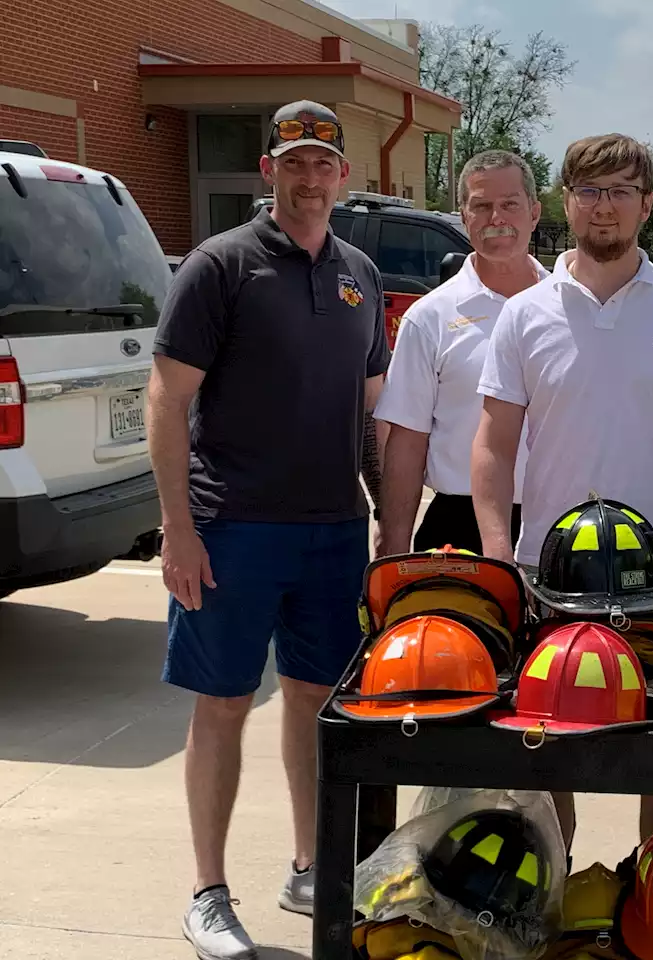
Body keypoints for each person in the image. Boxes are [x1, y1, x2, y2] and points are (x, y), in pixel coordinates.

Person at [148, 101, 389, 960]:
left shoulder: (360, 273)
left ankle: (308, 865)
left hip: (331, 532)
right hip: (232, 526)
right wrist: (177, 528)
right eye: (296, 161)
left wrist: (388, 523)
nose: (311, 176)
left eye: (325, 163)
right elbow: (168, 400)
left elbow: (367, 419)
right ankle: (208, 894)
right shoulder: (221, 266)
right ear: (269, 169)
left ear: (344, 177)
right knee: (221, 704)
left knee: (317, 702)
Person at [471, 133, 653, 842]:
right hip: (547, 580)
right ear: (565, 202)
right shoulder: (524, 314)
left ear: (647, 207)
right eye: (589, 190)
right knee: (546, 756)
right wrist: (499, 553)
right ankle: (554, 914)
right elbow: (493, 448)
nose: (603, 207)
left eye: (621, 191)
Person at [373, 150, 547, 558]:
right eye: (481, 206)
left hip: (557, 523)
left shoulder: (569, 308)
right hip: (457, 526)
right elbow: (406, 443)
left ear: (534, 213)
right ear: (464, 217)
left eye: (510, 204)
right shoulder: (429, 317)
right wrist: (393, 542)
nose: (496, 218)